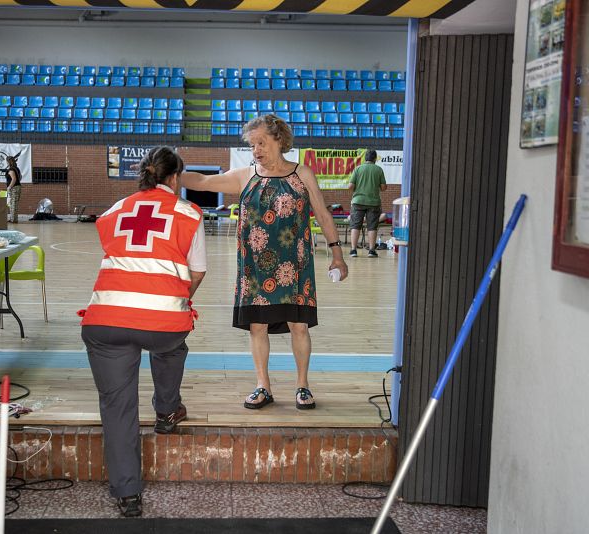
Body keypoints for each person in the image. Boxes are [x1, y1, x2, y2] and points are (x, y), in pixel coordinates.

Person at [180, 114, 347, 411]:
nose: (256, 149)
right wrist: (168, 175)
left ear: (279, 140)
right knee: (257, 327)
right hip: (254, 269)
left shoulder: (302, 174)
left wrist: (337, 255)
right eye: (252, 144)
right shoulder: (246, 176)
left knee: (299, 326)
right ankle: (262, 386)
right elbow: (203, 181)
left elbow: (322, 214)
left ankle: (303, 386)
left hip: (294, 266)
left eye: (261, 142)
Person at [79, 146, 206, 518]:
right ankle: (167, 412)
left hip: (105, 320)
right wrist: (176, 299)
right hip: (163, 322)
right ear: (175, 178)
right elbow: (196, 272)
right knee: (171, 346)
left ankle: (128, 495)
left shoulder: (115, 210)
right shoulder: (189, 213)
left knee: (117, 406)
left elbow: (117, 252)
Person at [348, 149, 387, 257]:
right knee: (372, 227)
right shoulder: (378, 170)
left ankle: (353, 250)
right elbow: (383, 188)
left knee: (355, 226)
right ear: (375, 158)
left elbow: (350, 187)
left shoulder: (358, 169)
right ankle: (371, 251)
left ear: (365, 158)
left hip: (357, 201)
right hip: (373, 203)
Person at [5, 155, 22, 223]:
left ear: (9, 162)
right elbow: (20, 177)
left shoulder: (11, 169)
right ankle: (12, 218)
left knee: (13, 204)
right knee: (13, 203)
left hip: (14, 188)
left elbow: (14, 179)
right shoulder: (16, 168)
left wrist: (9, 187)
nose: (6, 163)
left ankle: (14, 219)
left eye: (6, 161)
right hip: (17, 187)